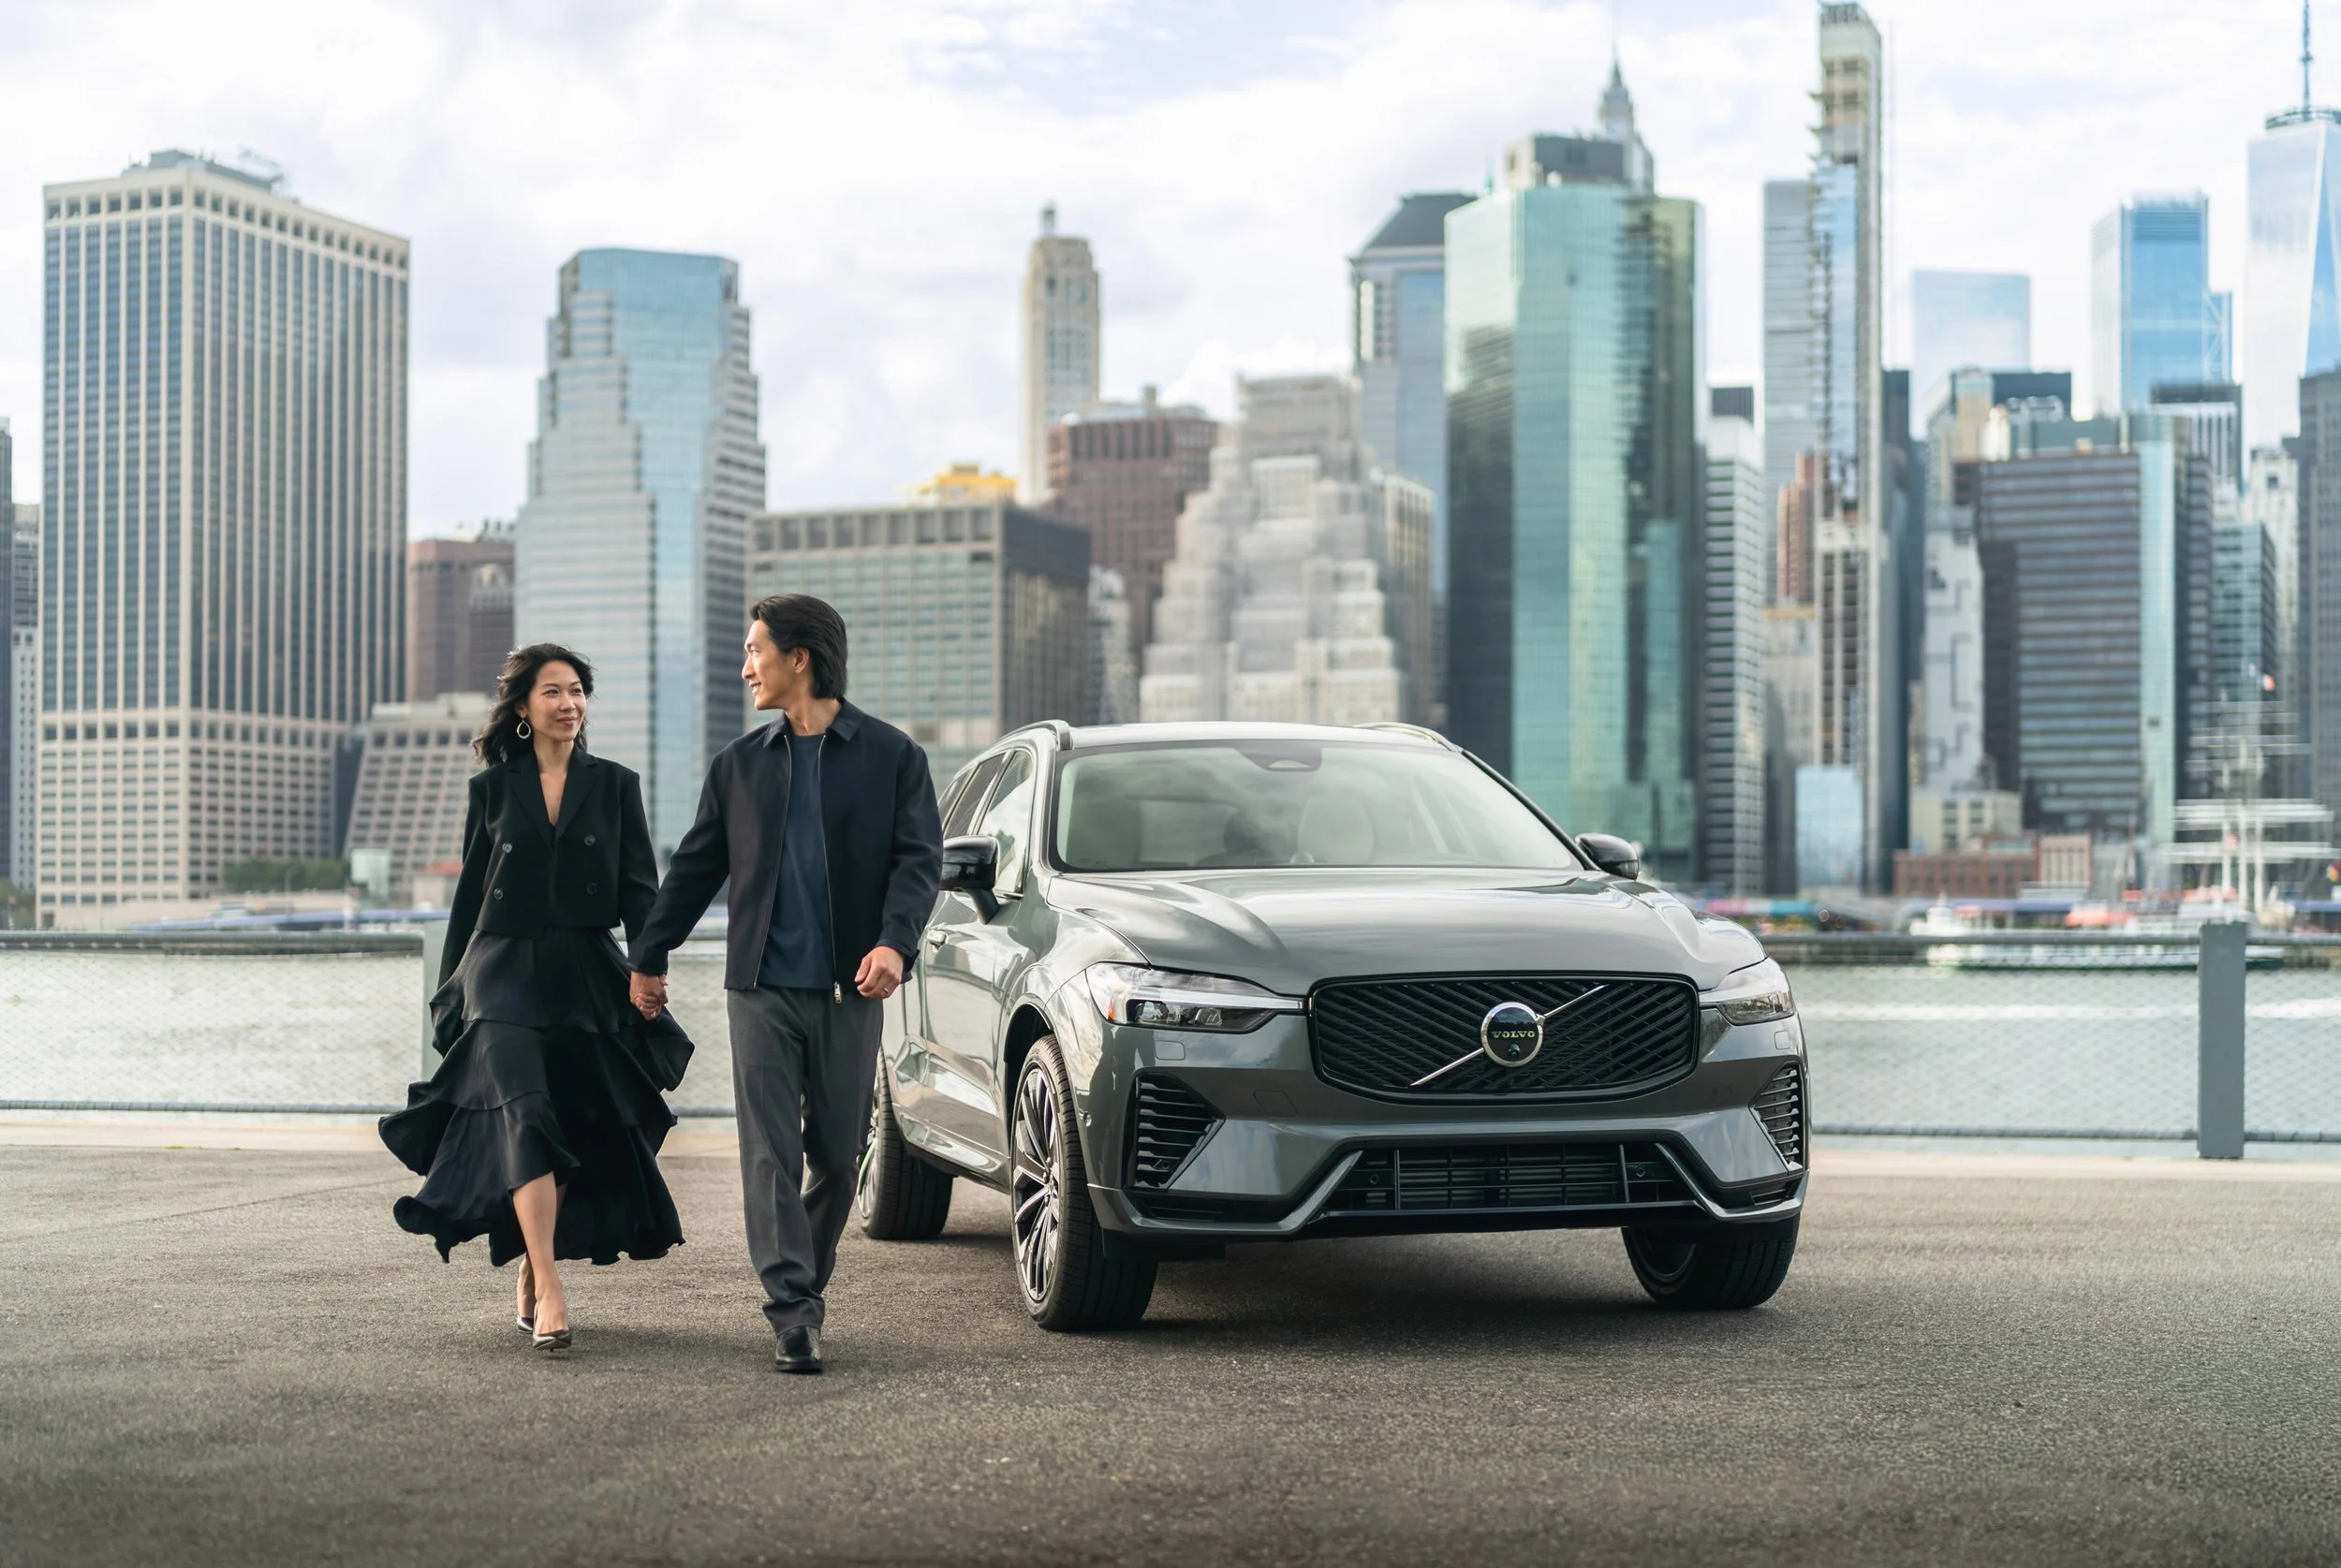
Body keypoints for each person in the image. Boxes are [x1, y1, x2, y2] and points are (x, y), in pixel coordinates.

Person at [628, 594, 942, 1374]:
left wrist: (894, 944)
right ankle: (793, 1310)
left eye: (755, 651)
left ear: (799, 656)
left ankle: (802, 1284)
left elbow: (919, 863)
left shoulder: (894, 757)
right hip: (760, 989)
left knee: (838, 1156)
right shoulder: (738, 766)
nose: (746, 668)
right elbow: (696, 867)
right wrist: (648, 954)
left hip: (850, 989)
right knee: (769, 1154)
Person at [381, 643, 692, 1353]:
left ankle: (528, 1259)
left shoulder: (615, 785)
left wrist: (648, 966)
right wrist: (450, 993)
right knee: (524, 1112)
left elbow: (641, 889)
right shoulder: (493, 790)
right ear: (523, 708)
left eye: (578, 690)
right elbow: (469, 899)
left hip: (583, 970)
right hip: (501, 971)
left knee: (575, 1121)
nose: (568, 703)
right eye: (552, 691)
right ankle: (550, 1284)